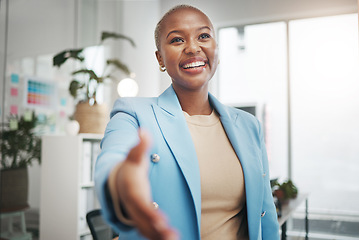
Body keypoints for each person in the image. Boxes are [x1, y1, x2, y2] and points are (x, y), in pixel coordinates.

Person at [95, 4, 280, 240]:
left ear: (216, 49)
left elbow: (267, 217)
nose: (193, 48)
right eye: (177, 40)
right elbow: (113, 159)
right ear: (160, 58)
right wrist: (119, 183)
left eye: (203, 36)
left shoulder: (249, 125)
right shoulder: (134, 113)